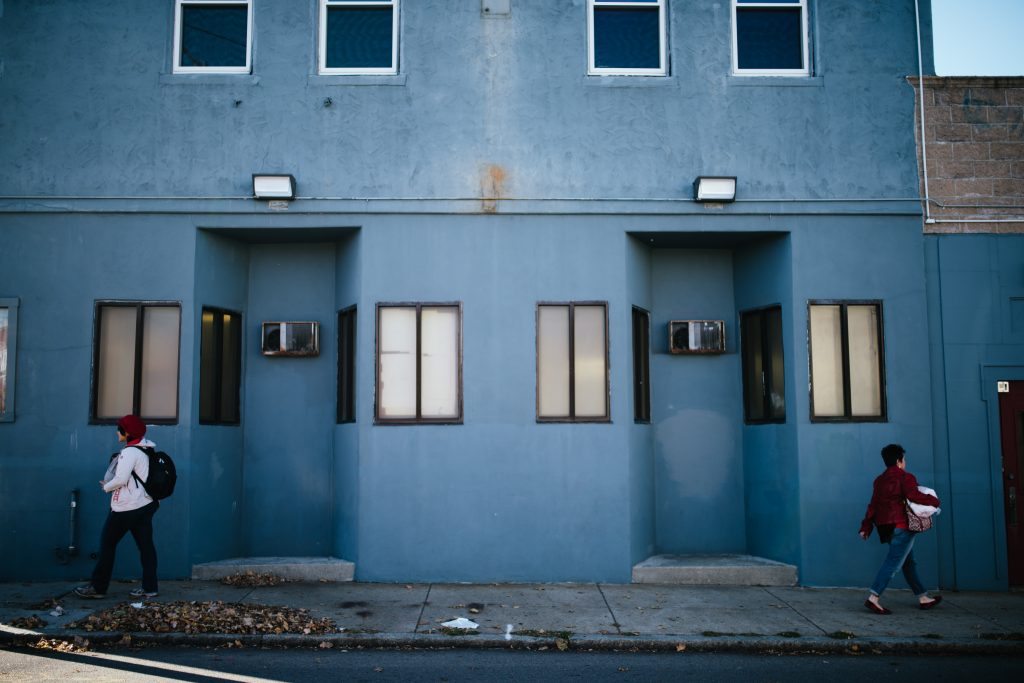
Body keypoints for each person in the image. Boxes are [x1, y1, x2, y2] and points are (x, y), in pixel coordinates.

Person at [74, 415, 159, 599]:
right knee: (146, 547)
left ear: (126, 432)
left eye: (119, 428)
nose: (116, 431)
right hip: (145, 504)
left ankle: (98, 588)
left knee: (107, 544)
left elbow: (120, 479)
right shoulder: (147, 449)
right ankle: (150, 588)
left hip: (127, 507)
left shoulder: (130, 452)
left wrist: (106, 486)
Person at [859, 443, 941, 614]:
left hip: (886, 528)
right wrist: (934, 501)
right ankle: (873, 597)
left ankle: (923, 597)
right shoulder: (905, 477)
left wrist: (866, 527)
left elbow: (873, 505)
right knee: (893, 563)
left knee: (908, 562)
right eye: (904, 459)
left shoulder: (879, 481)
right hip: (902, 526)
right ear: (899, 461)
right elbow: (913, 495)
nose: (905, 462)